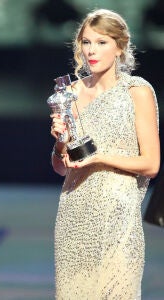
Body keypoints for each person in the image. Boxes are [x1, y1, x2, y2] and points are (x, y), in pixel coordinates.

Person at [49, 9, 160, 299]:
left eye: (102, 42)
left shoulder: (137, 91)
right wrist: (60, 142)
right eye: (86, 42)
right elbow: (62, 168)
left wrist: (99, 158)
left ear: (120, 46)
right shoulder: (69, 93)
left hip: (119, 217)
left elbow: (150, 164)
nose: (91, 51)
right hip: (74, 215)